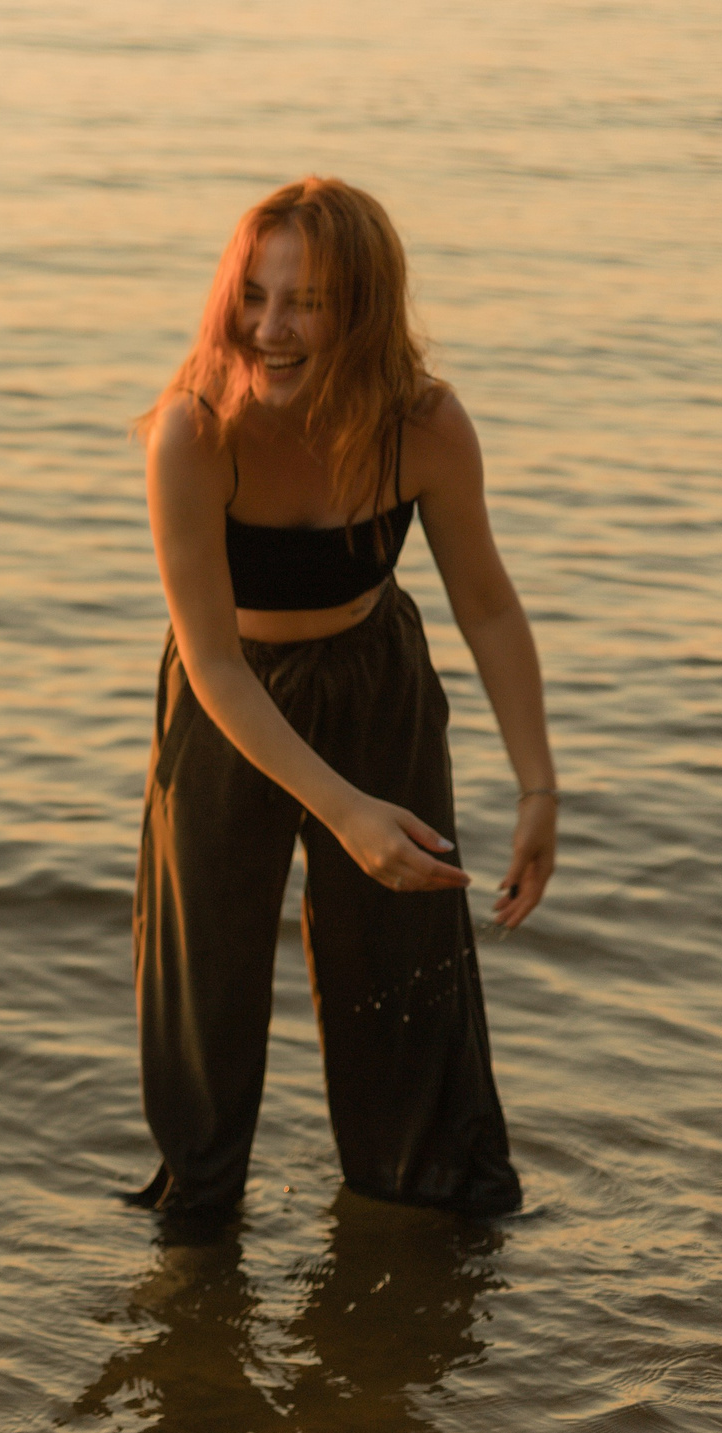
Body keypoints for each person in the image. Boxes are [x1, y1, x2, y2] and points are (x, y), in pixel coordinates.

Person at [130, 177, 555, 1221]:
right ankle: (199, 1230)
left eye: (305, 302)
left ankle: (416, 1212)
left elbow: (488, 607)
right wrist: (343, 807)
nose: (270, 330)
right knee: (208, 980)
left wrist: (538, 786)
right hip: (229, 704)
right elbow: (216, 662)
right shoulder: (192, 435)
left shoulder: (425, 426)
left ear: (360, 310)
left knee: (402, 970)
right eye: (253, 297)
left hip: (377, 682)